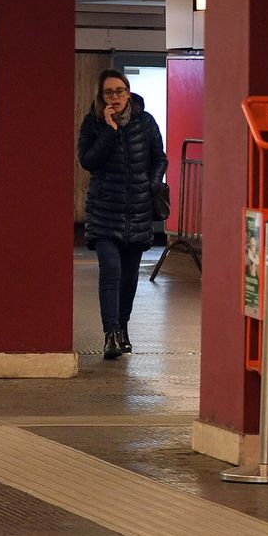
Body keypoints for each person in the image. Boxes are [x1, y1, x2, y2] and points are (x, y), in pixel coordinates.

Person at [78, 69, 167, 360]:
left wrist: (152, 183)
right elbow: (88, 161)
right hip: (104, 212)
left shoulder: (146, 122)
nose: (114, 97)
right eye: (108, 93)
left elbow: (159, 158)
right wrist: (109, 131)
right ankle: (111, 334)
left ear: (128, 92)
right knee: (111, 273)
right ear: (101, 96)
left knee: (129, 278)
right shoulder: (93, 123)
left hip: (138, 211)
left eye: (119, 91)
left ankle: (123, 328)